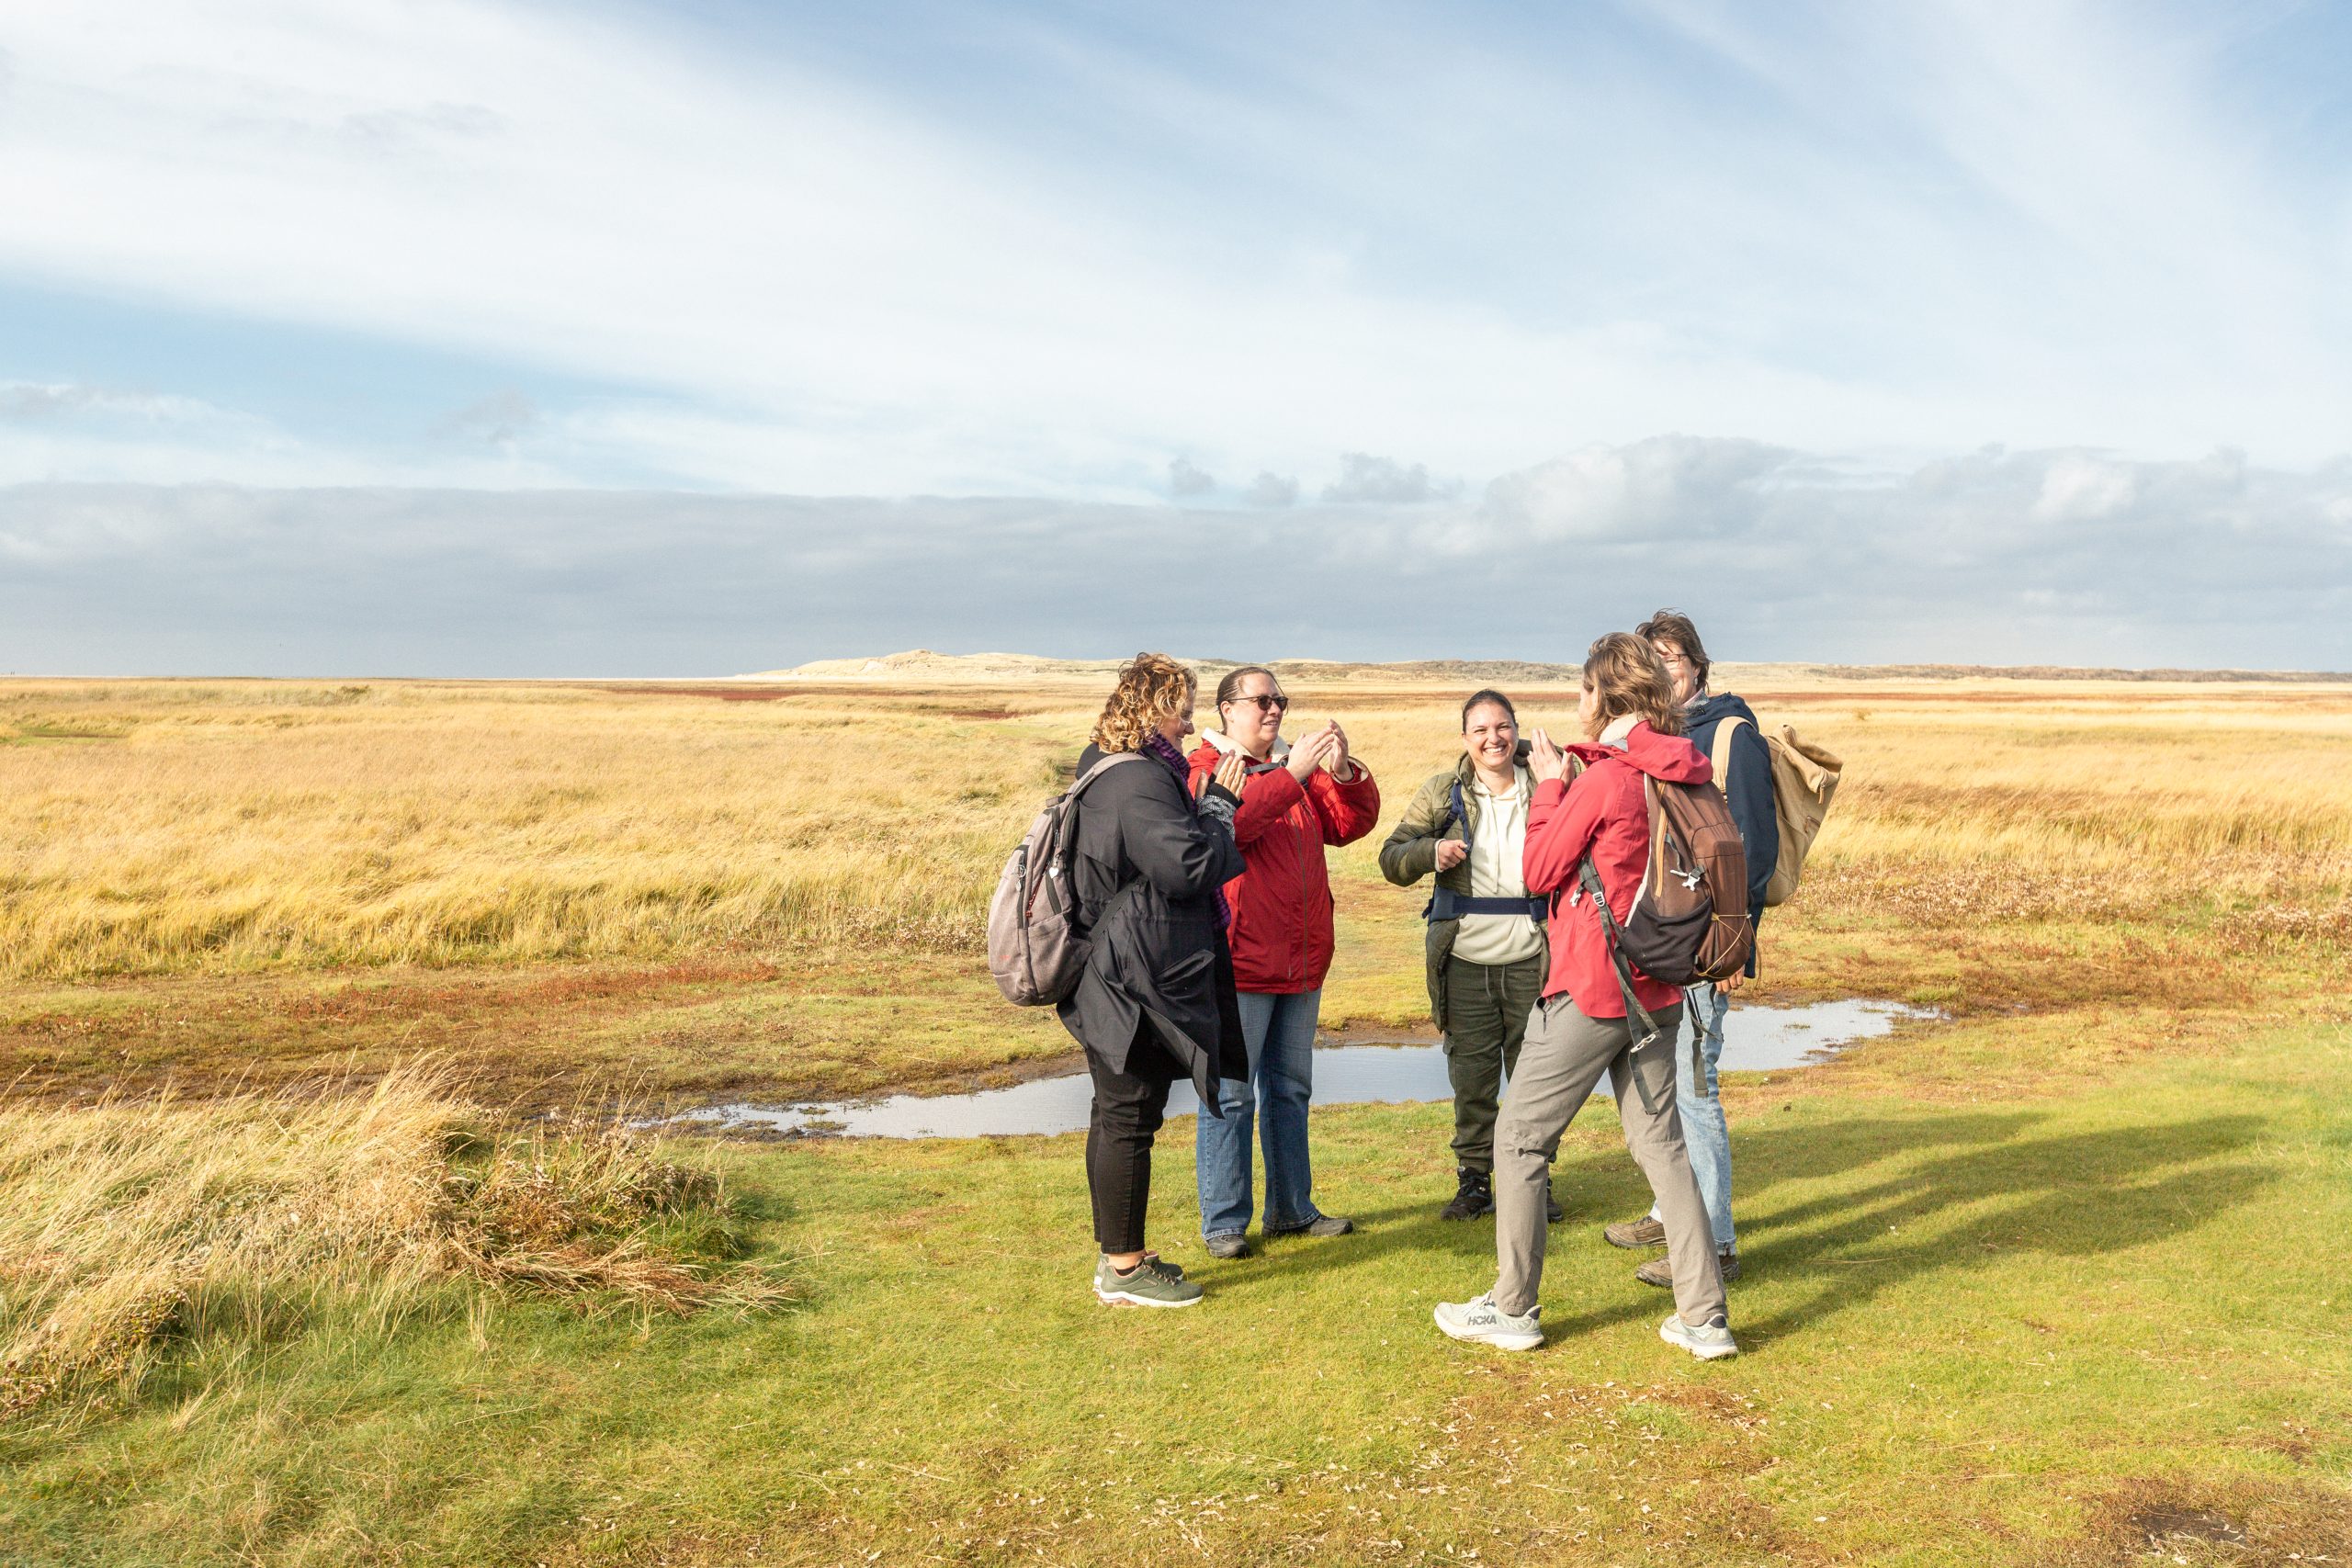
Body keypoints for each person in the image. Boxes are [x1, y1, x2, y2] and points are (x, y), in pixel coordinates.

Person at [1433, 633, 1736, 1360]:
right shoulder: (1685, 770)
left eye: (1583, 690)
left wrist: (1551, 785)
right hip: (1660, 985)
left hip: (1594, 988)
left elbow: (1538, 869)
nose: (1579, 701)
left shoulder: (1603, 778)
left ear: (1604, 695)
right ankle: (1704, 1317)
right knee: (1663, 1146)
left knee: (1519, 1137)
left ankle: (1513, 1308)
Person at [1058, 652, 1250, 1307]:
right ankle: (1123, 1268)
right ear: (1151, 709)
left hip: (1116, 970)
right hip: (1128, 980)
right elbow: (1187, 867)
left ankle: (1121, 1255)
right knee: (1127, 1117)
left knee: (1118, 1115)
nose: (1190, 726)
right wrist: (1220, 807)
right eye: (1182, 711)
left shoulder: (1109, 767)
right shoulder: (1139, 779)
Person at [1600, 611, 1778, 1290]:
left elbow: (1754, 854)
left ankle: (1716, 1243)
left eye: (1673, 658)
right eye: (1652, 659)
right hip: (1660, 943)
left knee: (1697, 1087)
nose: (1663, 669)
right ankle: (1668, 1211)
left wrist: (1733, 948)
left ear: (1698, 665)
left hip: (1706, 949)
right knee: (1664, 1082)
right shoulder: (1654, 737)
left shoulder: (1732, 735)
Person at [1187, 665, 1381, 1258]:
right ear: (1226, 709)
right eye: (1261, 700)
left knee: (1291, 1089)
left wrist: (1342, 772)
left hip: (1300, 959)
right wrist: (1294, 774)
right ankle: (1224, 1222)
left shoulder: (1291, 766)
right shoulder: (1206, 769)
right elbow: (1232, 827)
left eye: (1280, 700)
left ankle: (1292, 1208)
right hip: (1241, 961)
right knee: (1230, 1092)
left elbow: (1349, 824)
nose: (1273, 709)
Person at [1378, 689, 1563, 1224]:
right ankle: (1475, 1183)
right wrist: (1429, 852)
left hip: (1535, 959)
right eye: (1480, 730)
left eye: (1501, 726)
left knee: (1535, 1081)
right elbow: (1392, 858)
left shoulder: (1549, 783)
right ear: (1465, 738)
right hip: (1463, 962)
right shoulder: (1442, 792)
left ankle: (1535, 1180)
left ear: (1516, 728)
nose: (1493, 739)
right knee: (1472, 1080)